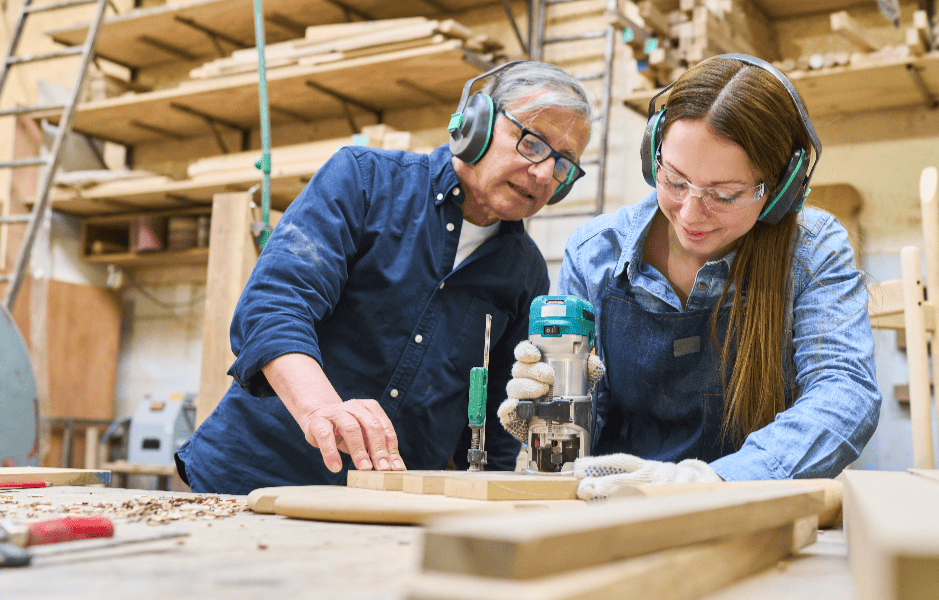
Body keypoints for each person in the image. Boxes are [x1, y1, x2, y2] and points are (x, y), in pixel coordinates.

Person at [175, 61, 592, 495]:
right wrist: (321, 409)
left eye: (564, 165)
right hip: (250, 480)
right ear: (477, 123)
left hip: (385, 507)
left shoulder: (524, 270)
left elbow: (496, 420)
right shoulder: (364, 179)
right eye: (533, 143)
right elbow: (273, 307)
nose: (545, 174)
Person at [502, 54, 881, 499]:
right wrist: (548, 417)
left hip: (748, 506)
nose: (691, 214)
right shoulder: (595, 254)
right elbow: (587, 426)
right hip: (615, 505)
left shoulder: (812, 251)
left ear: (780, 190)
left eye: (725, 195)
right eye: (676, 182)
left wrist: (713, 480)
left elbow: (845, 391)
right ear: (653, 156)